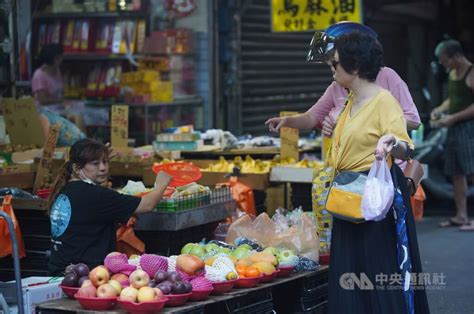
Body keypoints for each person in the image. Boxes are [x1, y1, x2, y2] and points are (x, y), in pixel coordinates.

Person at [310, 31, 428, 313]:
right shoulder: (350, 101)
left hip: (375, 196)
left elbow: (406, 149)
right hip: (349, 193)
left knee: (378, 267)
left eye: (336, 63)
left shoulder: (383, 101)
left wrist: (391, 143)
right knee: (350, 267)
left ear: (356, 66)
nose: (332, 68)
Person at [265, 22, 420, 139]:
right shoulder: (337, 87)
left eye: (335, 60)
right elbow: (311, 117)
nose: (330, 65)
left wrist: (363, 124)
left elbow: (413, 121)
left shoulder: (387, 77)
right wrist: (286, 121)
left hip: (383, 172)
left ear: (355, 59)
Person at [47, 138, 172, 275]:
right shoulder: (96, 195)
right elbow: (147, 204)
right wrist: (161, 184)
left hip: (61, 270)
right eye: (95, 163)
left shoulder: (65, 188)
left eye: (105, 162)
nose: (103, 168)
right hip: (86, 275)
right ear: (77, 168)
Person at [431, 39, 474, 231]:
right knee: (457, 173)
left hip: (468, 129)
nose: (442, 63)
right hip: (455, 129)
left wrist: (454, 117)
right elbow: (453, 98)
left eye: (444, 59)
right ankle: (461, 215)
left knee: (471, 171)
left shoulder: (471, 73)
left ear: (456, 55)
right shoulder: (452, 74)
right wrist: (440, 109)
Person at [31, 44, 86, 146]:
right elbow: (42, 100)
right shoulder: (39, 75)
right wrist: (61, 101)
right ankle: (79, 142)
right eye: (60, 57)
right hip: (45, 110)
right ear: (54, 58)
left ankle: (82, 141)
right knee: (73, 115)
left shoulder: (57, 71)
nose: (61, 60)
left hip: (57, 106)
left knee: (80, 108)